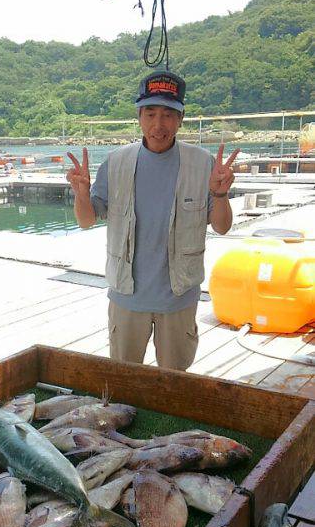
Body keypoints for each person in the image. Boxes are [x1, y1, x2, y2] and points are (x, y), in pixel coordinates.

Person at [66, 71, 239, 371]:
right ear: (139, 116)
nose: (159, 125)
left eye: (169, 114)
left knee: (174, 384)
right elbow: (86, 220)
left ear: (181, 119)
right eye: (151, 113)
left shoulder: (202, 164)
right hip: (126, 298)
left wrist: (220, 195)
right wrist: (81, 194)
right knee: (123, 380)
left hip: (178, 299)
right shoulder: (116, 162)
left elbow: (222, 226)